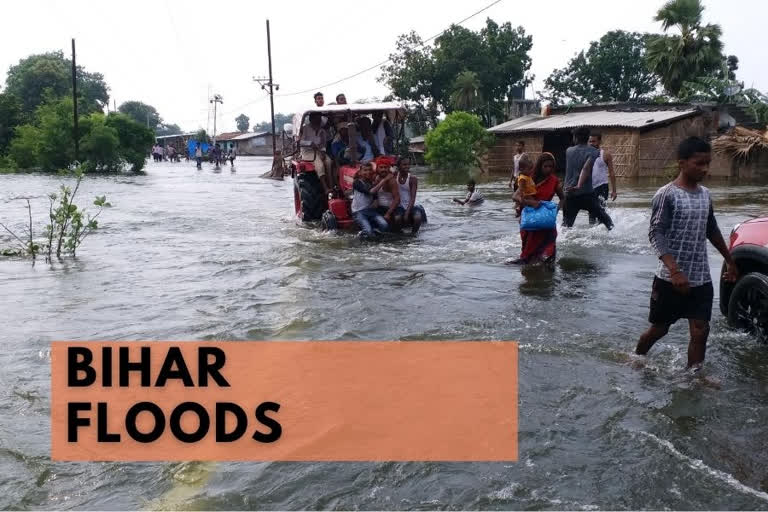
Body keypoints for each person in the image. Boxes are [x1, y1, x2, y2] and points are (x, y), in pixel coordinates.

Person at [635, 137, 738, 370]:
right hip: (670, 278)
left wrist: (730, 261)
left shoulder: (705, 194)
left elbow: (711, 229)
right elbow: (656, 234)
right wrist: (674, 270)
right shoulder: (667, 194)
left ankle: (694, 377)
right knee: (659, 329)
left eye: (707, 163)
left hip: (700, 276)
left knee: (701, 330)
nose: (705, 169)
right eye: (698, 163)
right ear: (682, 163)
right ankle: (637, 357)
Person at [507, 152, 565, 266]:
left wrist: (554, 212)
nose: (548, 169)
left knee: (549, 256)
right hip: (531, 219)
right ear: (539, 166)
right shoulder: (529, 178)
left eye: (551, 167)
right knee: (527, 255)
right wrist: (530, 202)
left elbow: (563, 198)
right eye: (546, 166)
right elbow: (515, 196)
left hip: (546, 219)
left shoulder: (554, 181)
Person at [561, 127, 614, 230]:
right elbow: (586, 168)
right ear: (587, 138)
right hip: (586, 194)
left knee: (566, 226)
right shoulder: (594, 152)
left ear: (575, 138)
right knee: (607, 222)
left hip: (570, 194)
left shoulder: (569, 151)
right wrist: (579, 185)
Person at [351, 162, 390, 238]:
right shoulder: (357, 182)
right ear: (360, 172)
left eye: (369, 170)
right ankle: (361, 234)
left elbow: (374, 195)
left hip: (370, 210)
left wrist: (376, 200)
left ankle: (373, 232)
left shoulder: (371, 182)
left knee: (384, 225)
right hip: (358, 212)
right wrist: (384, 180)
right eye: (365, 170)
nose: (368, 172)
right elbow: (370, 192)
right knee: (368, 231)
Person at [588, 133, 617, 225]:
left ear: (599, 141)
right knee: (591, 212)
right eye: (589, 141)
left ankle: (603, 228)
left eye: (593, 141)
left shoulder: (605, 154)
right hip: (589, 187)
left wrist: (614, 191)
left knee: (601, 210)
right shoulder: (585, 154)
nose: (591, 143)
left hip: (602, 186)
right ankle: (591, 231)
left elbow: (612, 173)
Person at [300, 113, 332, 193]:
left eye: (319, 118)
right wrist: (310, 143)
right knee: (320, 165)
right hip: (307, 151)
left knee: (329, 162)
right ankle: (325, 188)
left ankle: (331, 185)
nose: (319, 120)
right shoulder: (305, 128)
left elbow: (324, 144)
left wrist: (323, 152)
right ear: (311, 119)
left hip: (318, 151)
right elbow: (300, 142)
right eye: (316, 118)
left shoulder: (322, 130)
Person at [394, 156, 426, 233]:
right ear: (398, 166)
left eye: (408, 164)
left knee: (417, 218)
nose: (407, 166)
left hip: (412, 205)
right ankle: (400, 235)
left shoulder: (412, 179)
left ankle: (413, 236)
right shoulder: (394, 176)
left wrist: (407, 212)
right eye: (404, 164)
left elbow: (412, 198)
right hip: (400, 206)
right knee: (397, 218)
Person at [374, 159, 402, 227]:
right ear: (377, 168)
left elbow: (397, 199)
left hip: (392, 208)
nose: (383, 169)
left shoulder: (392, 181)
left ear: (388, 168)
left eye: (385, 167)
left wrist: (388, 213)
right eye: (381, 167)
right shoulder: (376, 178)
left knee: (397, 218)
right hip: (380, 207)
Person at [511, 153, 536, 218]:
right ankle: (519, 209)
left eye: (532, 169)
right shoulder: (523, 178)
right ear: (522, 169)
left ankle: (519, 209)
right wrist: (521, 199)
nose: (531, 171)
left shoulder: (527, 176)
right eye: (529, 169)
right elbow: (521, 189)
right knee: (534, 205)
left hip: (529, 194)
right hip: (526, 195)